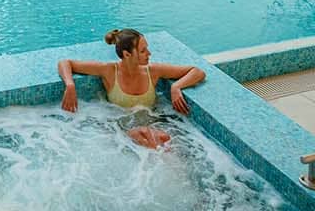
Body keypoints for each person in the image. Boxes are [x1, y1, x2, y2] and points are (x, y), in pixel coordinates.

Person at [57, 29, 206, 148]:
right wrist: (70, 85)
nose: (149, 54)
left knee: (164, 140)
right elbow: (65, 63)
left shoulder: (152, 71)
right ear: (127, 54)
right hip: (121, 128)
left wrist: (176, 87)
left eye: (147, 48)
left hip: (152, 123)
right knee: (152, 140)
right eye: (142, 51)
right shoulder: (109, 71)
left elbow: (197, 72)